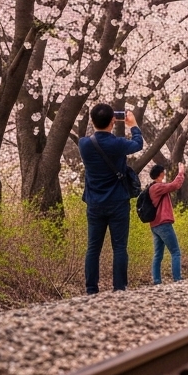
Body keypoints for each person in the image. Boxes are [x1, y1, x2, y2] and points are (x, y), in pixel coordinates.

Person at [79, 103, 143, 294]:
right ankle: (119, 287)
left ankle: (91, 289)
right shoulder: (118, 144)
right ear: (113, 121)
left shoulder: (84, 144)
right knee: (120, 247)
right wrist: (133, 125)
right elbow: (138, 144)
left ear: (92, 120)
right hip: (118, 202)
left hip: (94, 203)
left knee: (93, 248)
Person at [146, 163, 187, 284]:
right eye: (163, 171)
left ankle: (157, 281)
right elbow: (175, 185)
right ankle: (177, 279)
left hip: (155, 225)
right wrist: (181, 172)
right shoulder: (157, 187)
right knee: (175, 252)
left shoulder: (152, 187)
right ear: (161, 174)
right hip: (163, 224)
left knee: (158, 254)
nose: (165, 173)